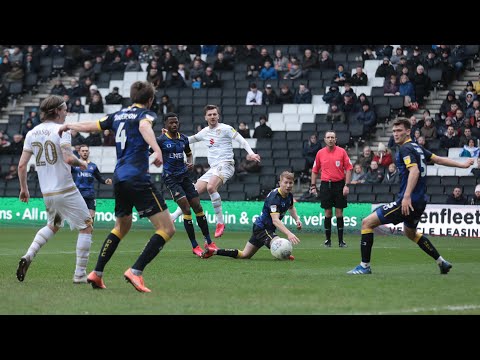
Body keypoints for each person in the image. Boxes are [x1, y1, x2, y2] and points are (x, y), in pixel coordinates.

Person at [57, 81, 175, 293]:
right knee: (167, 228)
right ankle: (136, 271)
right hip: (137, 177)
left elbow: (94, 125)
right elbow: (144, 127)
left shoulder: (117, 115)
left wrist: (70, 125)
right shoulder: (146, 115)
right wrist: (157, 149)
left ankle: (97, 273)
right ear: (150, 100)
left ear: (131, 97)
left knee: (122, 226)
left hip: (119, 177)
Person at [347, 118, 475, 275]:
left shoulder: (406, 149)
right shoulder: (417, 148)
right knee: (411, 233)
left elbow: (414, 171)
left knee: (367, 223)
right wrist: (462, 165)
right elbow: (438, 159)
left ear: (408, 131)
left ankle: (364, 266)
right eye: (394, 131)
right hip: (420, 201)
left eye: (399, 130)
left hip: (408, 201)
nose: (395, 134)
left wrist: (406, 196)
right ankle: (441, 262)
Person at [16, 95, 94, 284]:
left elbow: (21, 166)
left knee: (53, 225)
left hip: (48, 193)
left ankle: (29, 255)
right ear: (57, 110)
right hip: (66, 190)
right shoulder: (62, 130)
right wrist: (82, 162)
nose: (66, 112)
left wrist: (24, 189)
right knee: (86, 226)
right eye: (65, 109)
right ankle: (80, 274)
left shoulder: (32, 133)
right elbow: (68, 158)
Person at [169, 105, 261, 238]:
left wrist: (251, 153)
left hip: (226, 165)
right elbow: (188, 140)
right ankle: (174, 216)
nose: (212, 116)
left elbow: (241, 140)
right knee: (192, 192)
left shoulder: (226, 129)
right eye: (210, 115)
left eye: (214, 114)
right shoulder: (205, 132)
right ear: (205, 117)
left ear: (218, 116)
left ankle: (220, 222)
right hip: (214, 169)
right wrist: (170, 137)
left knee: (211, 187)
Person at [201, 171, 301, 260]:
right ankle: (283, 253)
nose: (288, 185)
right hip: (263, 228)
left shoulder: (289, 195)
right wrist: (289, 233)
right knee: (279, 243)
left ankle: (214, 251)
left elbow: (291, 208)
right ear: (280, 183)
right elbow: (275, 220)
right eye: (285, 183)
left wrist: (297, 218)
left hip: (264, 228)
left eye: (290, 183)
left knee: (245, 255)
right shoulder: (274, 198)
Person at [156, 113, 215, 257]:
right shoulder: (161, 140)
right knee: (186, 209)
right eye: (171, 123)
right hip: (171, 179)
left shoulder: (183, 139)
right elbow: (149, 151)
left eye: (176, 122)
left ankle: (209, 241)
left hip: (185, 177)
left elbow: (188, 153)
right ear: (166, 125)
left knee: (198, 207)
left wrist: (190, 162)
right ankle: (195, 246)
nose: (174, 125)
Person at [310, 131, 353, 248]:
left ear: (336, 139)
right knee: (328, 212)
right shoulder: (320, 153)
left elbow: (349, 168)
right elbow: (314, 170)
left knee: (339, 212)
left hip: (339, 184)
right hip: (325, 185)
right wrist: (313, 185)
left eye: (332, 137)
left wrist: (347, 185)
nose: (330, 139)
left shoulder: (342, 152)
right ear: (324, 140)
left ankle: (341, 241)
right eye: (328, 137)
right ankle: (327, 240)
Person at [71, 144, 112, 220]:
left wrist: (105, 181)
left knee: (91, 216)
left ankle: (88, 232)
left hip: (90, 194)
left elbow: (99, 177)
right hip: (79, 194)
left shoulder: (93, 166)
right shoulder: (74, 165)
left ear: (89, 152)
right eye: (83, 151)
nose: (85, 152)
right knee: (80, 217)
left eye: (86, 151)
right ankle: (83, 231)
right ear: (79, 152)